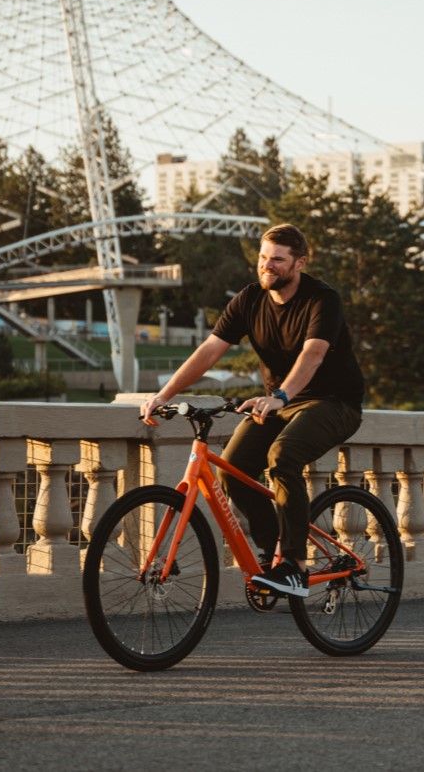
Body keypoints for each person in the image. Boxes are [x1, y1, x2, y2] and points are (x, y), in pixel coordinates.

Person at [140, 223, 364, 598]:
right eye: (263, 258)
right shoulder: (248, 300)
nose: (267, 266)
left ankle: (294, 566)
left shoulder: (322, 299)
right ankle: (273, 551)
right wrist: (164, 394)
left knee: (283, 455)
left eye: (277, 259)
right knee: (234, 469)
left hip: (333, 402)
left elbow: (314, 354)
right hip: (281, 402)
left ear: (299, 263)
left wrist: (280, 395)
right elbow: (209, 351)